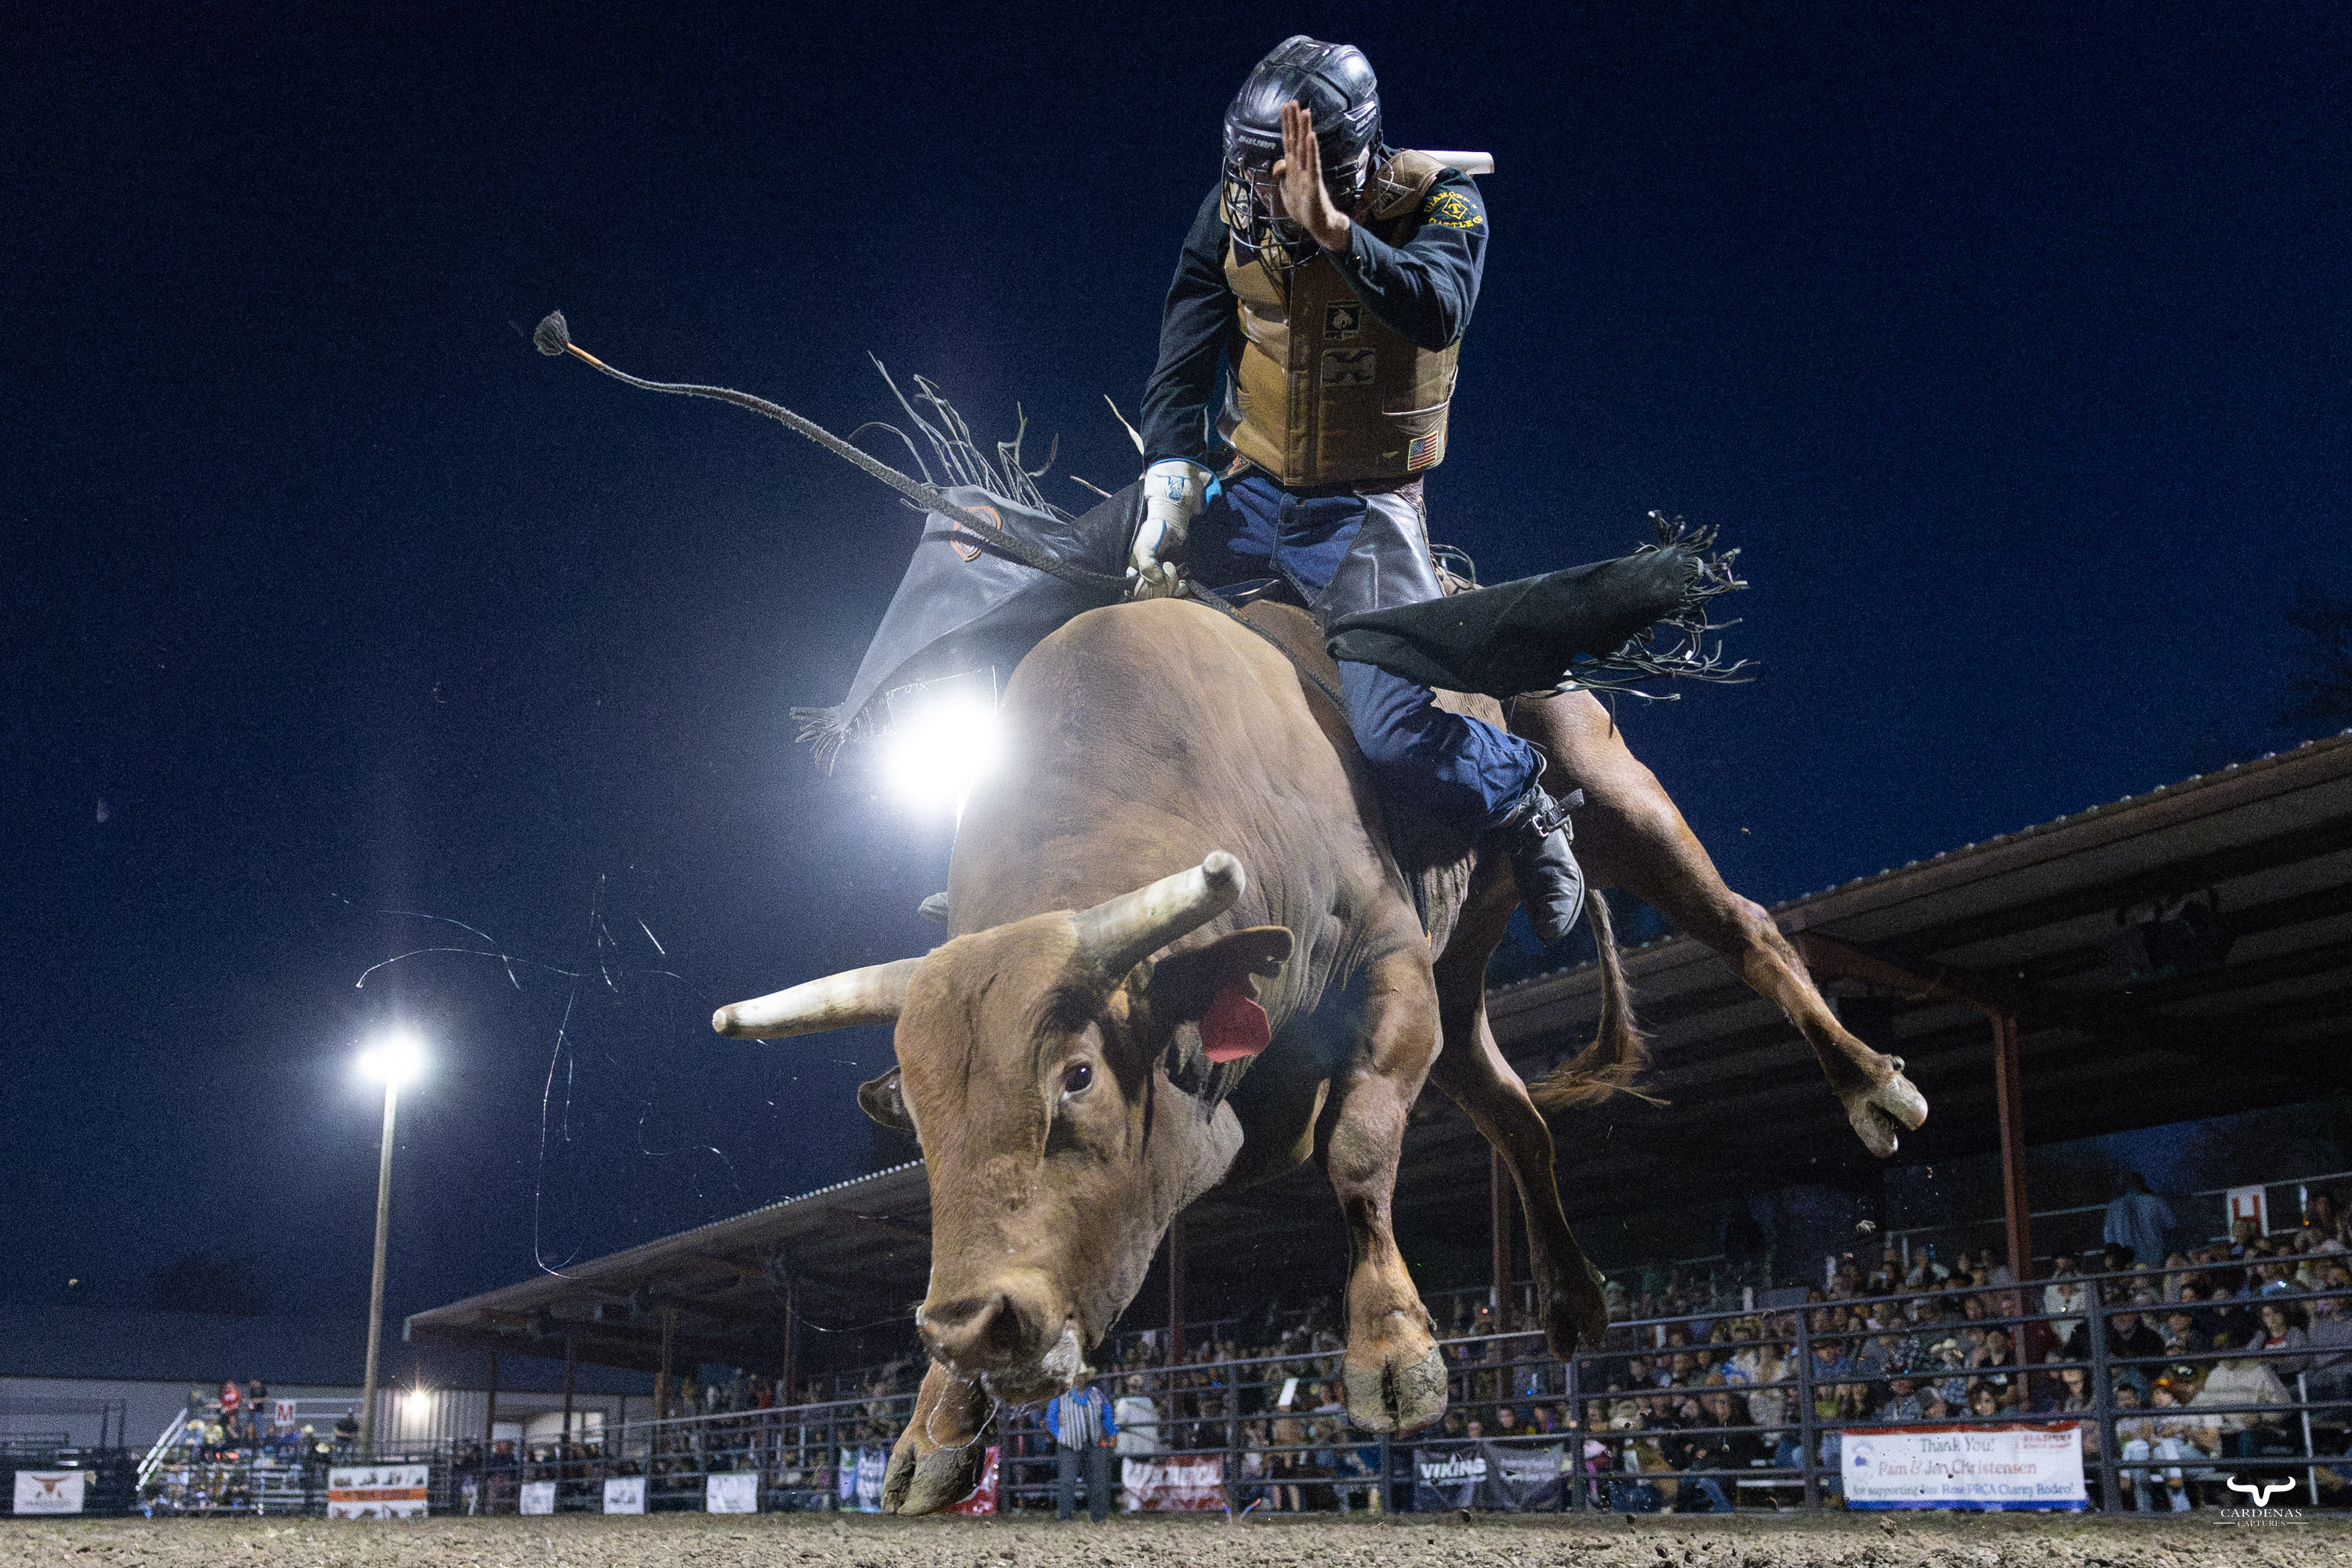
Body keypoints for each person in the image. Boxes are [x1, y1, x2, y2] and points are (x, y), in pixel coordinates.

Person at [1135, 35, 1586, 944]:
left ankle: (1521, 797)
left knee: (1392, 733)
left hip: (1362, 511)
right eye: (1251, 173)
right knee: (1088, 600)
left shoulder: (1442, 204)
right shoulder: (1229, 210)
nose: (1261, 195)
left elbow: (1438, 306)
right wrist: (1170, 474)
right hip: (1248, 487)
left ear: (1338, 163)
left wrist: (1336, 235)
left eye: (1281, 176)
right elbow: (1186, 343)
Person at [1044, 1377, 1119, 1522]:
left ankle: (1099, 1516)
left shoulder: (1096, 1394)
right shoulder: (1060, 1396)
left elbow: (1106, 1412)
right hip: (1069, 1445)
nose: (1080, 1380)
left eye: (1083, 1376)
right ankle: (1066, 1516)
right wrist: (1060, 1436)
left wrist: (1111, 1431)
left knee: (1097, 1481)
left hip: (1094, 1443)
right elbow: (1051, 1419)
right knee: (1067, 1481)